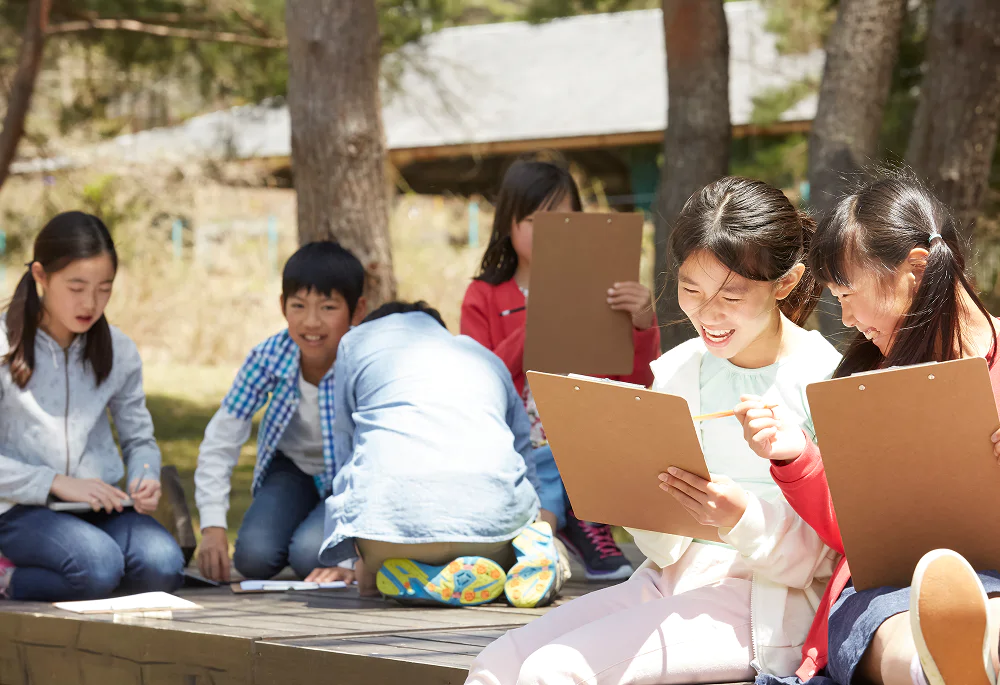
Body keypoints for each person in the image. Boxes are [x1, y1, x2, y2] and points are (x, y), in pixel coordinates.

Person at [465, 177, 841, 684]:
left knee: (556, 671)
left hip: (766, 602)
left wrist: (739, 517)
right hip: (671, 579)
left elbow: (829, 555)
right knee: (497, 665)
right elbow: (662, 545)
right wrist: (612, 467)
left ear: (786, 283)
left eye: (731, 294)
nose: (709, 314)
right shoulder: (679, 368)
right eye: (691, 290)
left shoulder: (824, 376)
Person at [736, 174, 1000, 684]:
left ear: (916, 271)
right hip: (888, 592)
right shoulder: (865, 380)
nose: (847, 317)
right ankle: (950, 667)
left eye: (848, 293)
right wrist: (798, 458)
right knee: (898, 630)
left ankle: (972, 660)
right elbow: (856, 533)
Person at [461, 158, 659, 581]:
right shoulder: (484, 295)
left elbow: (638, 382)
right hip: (518, 436)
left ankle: (564, 525)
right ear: (508, 226)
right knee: (546, 450)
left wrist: (643, 322)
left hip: (590, 431)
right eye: (534, 220)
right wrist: (538, 319)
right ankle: (567, 524)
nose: (547, 232)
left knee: (589, 431)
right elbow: (479, 380)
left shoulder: (603, 290)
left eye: (560, 219)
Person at [319, 301, 569, 609]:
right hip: (493, 532)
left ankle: (412, 582)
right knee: (528, 542)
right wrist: (535, 519)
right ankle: (533, 558)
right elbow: (522, 452)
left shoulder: (355, 343)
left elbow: (347, 448)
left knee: (372, 581)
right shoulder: (483, 356)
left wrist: (348, 551)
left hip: (389, 534)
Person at [0, 211, 184, 601]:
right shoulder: (3, 344)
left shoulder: (118, 350)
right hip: (16, 508)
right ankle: (8, 578)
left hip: (97, 506)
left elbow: (139, 439)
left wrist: (144, 474)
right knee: (96, 566)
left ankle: (91, 579)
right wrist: (54, 482)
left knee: (163, 564)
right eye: (77, 286)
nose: (91, 302)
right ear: (40, 276)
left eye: (104, 288)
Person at [195, 241, 365, 583]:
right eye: (298, 306)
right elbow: (223, 436)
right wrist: (212, 524)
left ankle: (322, 534)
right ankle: (304, 521)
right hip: (294, 470)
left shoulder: (364, 362)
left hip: (352, 479)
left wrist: (353, 556)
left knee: (309, 556)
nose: (311, 322)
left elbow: (382, 457)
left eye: (328, 307)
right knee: (253, 558)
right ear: (282, 306)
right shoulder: (269, 357)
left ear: (356, 311)